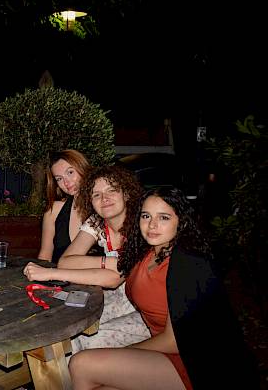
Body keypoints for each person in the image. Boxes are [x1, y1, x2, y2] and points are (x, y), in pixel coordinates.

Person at [69, 186, 258, 390]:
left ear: (181, 221)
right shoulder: (146, 252)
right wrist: (54, 274)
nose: (152, 225)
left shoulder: (187, 263)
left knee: (81, 364)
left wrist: (127, 350)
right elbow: (112, 273)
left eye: (164, 217)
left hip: (198, 361)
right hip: (163, 351)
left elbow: (174, 340)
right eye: (146, 216)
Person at [24, 165, 150, 353]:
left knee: (85, 342)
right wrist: (110, 262)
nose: (104, 198)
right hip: (117, 299)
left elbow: (113, 279)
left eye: (111, 190)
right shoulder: (97, 222)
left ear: (126, 193)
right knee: (64, 327)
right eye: (96, 194)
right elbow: (66, 261)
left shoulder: (142, 224)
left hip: (147, 310)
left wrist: (50, 273)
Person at [38, 150, 91, 263]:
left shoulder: (103, 208)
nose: (66, 182)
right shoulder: (54, 211)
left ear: (83, 168)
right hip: (58, 273)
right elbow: (45, 257)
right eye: (59, 178)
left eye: (70, 172)